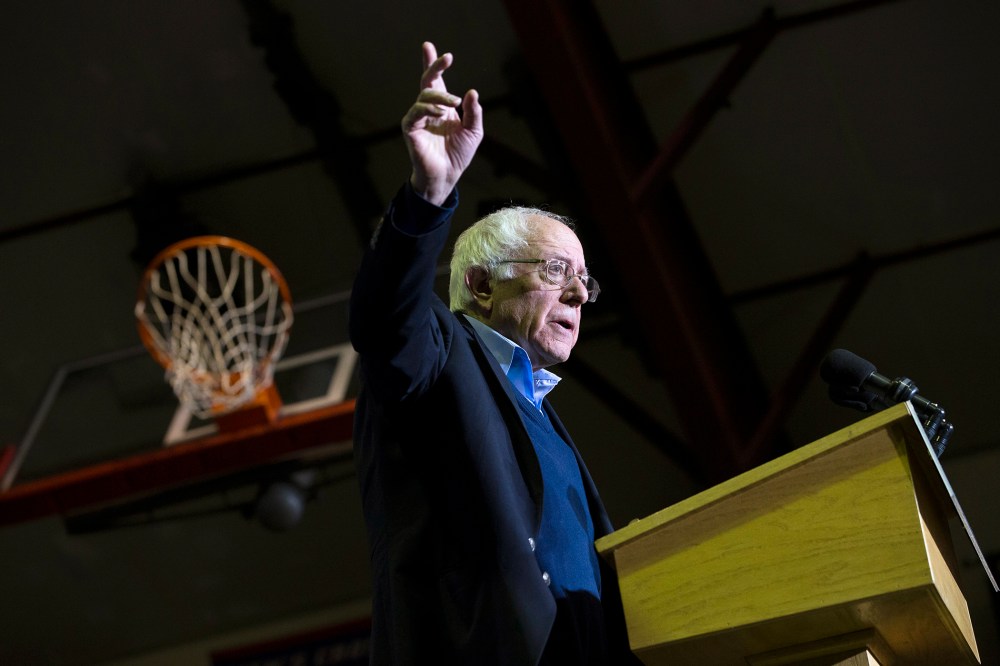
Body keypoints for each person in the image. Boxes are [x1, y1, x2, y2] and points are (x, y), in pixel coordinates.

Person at [349, 41, 636, 665]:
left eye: (585, 280)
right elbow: (384, 317)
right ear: (480, 284)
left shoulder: (544, 415)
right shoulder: (436, 360)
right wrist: (429, 194)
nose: (579, 294)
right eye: (558, 270)